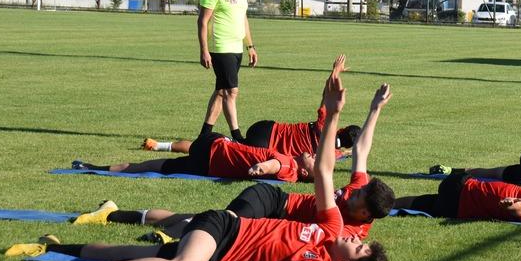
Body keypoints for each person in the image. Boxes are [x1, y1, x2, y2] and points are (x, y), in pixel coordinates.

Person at [8, 67, 388, 261]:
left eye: (356, 247)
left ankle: (51, 247)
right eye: (360, 241)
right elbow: (325, 169)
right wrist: (339, 113)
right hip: (230, 226)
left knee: (126, 252)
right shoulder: (333, 223)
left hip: (220, 247)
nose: (353, 239)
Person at [74, 85, 397, 241]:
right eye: (356, 191)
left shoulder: (350, 230)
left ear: (365, 213)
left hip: (268, 209)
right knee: (218, 223)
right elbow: (361, 152)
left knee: (193, 217)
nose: (350, 192)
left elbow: (339, 245)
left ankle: (115, 214)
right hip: (274, 202)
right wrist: (375, 109)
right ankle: (169, 238)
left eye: (356, 197)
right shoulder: (353, 188)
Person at [142, 55, 361, 157]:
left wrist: (335, 72)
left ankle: (161, 145)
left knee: (222, 143)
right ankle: (160, 145)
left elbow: (326, 93)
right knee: (212, 149)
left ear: (341, 129)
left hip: (267, 128)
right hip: (263, 145)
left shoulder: (323, 126)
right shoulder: (330, 154)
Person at [74, 132, 315, 183]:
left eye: (314, 161)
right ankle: (95, 167)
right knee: (153, 167)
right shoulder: (293, 168)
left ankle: (96, 166)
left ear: (304, 171)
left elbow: (272, 165)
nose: (313, 155)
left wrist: (259, 169)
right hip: (209, 166)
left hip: (215, 149)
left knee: (199, 139)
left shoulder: (288, 165)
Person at [198, 0, 257, 143]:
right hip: (221, 48)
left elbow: (243, 18)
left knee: (221, 90)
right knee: (232, 92)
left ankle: (205, 134)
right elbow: (203, 21)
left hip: (237, 48)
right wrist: (204, 50)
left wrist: (250, 46)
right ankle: (238, 136)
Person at [393, 169, 521, 226]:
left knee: (420, 202)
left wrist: (512, 204)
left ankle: (388, 204)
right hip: (459, 201)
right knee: (417, 202)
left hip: (460, 192)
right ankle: (388, 204)